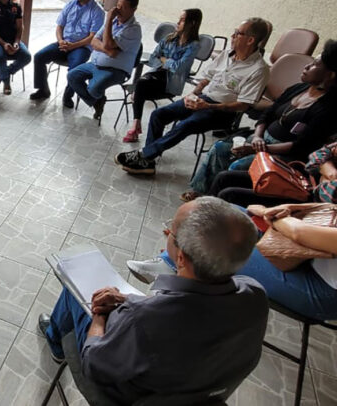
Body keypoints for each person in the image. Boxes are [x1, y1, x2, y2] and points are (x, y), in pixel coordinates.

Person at [39, 197, 268, 403]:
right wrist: (125, 299)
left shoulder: (143, 320)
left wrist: (99, 315)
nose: (167, 233)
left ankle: (56, 342)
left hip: (128, 398)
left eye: (171, 231)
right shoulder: (255, 295)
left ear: (180, 257)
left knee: (76, 290)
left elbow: (93, 362)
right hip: (202, 393)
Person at [128, 200, 337, 321]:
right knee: (223, 211)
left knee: (221, 244)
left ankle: (170, 270)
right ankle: (169, 264)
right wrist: (290, 208)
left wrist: (268, 213)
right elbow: (328, 205)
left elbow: (298, 233)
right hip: (309, 257)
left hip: (321, 291)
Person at [115, 18, 270, 175]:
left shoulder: (258, 69)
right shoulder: (227, 55)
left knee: (185, 125)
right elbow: (206, 79)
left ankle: (144, 155)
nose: (232, 35)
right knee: (159, 114)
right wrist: (193, 94)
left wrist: (208, 106)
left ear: (250, 40)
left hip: (222, 112)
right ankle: (148, 160)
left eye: (238, 33)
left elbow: (243, 105)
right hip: (203, 99)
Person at [183, 43, 337, 201]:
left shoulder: (328, 109)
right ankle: (200, 191)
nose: (307, 66)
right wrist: (257, 137)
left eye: (315, 64)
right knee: (219, 149)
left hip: (283, 154)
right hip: (260, 139)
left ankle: (213, 201)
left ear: (330, 75)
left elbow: (301, 147)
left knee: (237, 166)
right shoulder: (299, 88)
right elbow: (267, 114)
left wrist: (260, 149)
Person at [123, 9, 203, 142]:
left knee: (139, 88)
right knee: (141, 84)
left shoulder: (193, 46)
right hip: (156, 76)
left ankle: (135, 126)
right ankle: (136, 124)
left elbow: (179, 68)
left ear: (192, 23)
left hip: (170, 84)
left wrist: (164, 60)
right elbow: (153, 58)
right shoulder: (169, 38)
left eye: (182, 20)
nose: (178, 22)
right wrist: (168, 62)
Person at [30, 0, 104, 106]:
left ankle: (67, 96)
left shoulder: (97, 12)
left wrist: (73, 46)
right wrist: (60, 41)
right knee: (39, 56)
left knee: (75, 68)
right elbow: (59, 26)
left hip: (81, 47)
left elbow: (92, 38)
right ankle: (43, 89)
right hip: (64, 43)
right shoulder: (70, 4)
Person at [66, 0, 142, 116]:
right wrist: (109, 51)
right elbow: (94, 41)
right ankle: (97, 101)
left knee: (93, 89)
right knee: (72, 76)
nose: (118, 10)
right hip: (95, 63)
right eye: (118, 5)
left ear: (133, 10)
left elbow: (106, 43)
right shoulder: (112, 22)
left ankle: (96, 98)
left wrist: (109, 21)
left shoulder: (133, 29)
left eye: (124, 7)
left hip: (116, 70)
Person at [209, 140, 337, 207]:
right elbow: (317, 155)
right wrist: (330, 172)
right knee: (224, 177)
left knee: (229, 194)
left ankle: (209, 234)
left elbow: (326, 195)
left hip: (308, 201)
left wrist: (324, 169)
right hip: (300, 179)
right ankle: (198, 215)